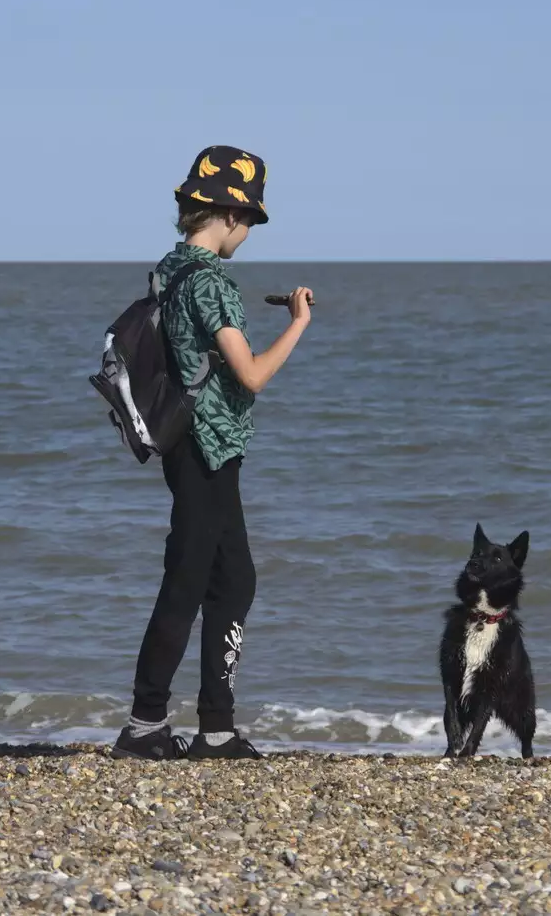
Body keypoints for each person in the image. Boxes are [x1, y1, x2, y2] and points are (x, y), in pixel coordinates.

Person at [112, 145, 314, 761]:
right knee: (190, 578)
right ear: (226, 214)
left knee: (232, 579)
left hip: (194, 445)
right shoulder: (210, 284)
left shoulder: (170, 269)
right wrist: (299, 322)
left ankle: (215, 727)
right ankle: (146, 725)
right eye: (248, 219)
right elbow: (250, 375)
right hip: (207, 446)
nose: (249, 231)